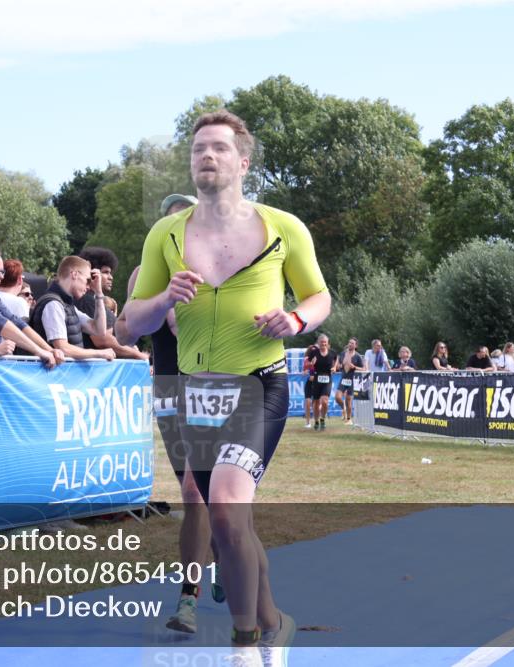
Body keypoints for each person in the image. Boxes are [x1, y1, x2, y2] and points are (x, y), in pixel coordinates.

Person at [117, 111, 330, 666]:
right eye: (197, 150)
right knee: (229, 519)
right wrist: (163, 300)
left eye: (217, 148)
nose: (206, 157)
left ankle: (245, 645)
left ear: (243, 161)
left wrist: (297, 321)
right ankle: (271, 620)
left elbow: (318, 297)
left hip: (260, 385)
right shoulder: (165, 234)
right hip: (195, 393)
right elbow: (128, 324)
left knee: (229, 508)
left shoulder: (284, 227)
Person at [126, 262, 222, 636]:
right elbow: (126, 331)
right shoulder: (144, 274)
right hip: (168, 389)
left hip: (212, 384)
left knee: (203, 490)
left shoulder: (216, 268)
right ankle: (217, 566)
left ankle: (189, 596)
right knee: (194, 492)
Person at [30, 256, 116, 361]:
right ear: (75, 274)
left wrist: (98, 293)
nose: (89, 286)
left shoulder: (66, 305)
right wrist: (99, 353)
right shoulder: (53, 304)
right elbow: (63, 349)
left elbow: (99, 331)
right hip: (53, 374)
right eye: (87, 280)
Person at [78, 246, 148, 360]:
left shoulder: (94, 299)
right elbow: (102, 340)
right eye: (106, 272)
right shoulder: (87, 300)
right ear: (92, 273)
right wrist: (137, 355)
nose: (111, 277)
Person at [307, 335, 338, 430]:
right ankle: (316, 420)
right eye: (322, 342)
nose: (323, 344)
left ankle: (322, 419)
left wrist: (335, 367)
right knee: (316, 402)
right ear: (318, 343)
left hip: (327, 379)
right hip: (317, 378)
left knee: (324, 401)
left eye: (325, 342)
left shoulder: (332, 353)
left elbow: (337, 360)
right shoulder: (314, 353)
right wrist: (311, 364)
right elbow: (307, 365)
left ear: (328, 343)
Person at [337, 338, 365, 424]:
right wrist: (338, 366)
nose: (350, 344)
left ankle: (349, 419)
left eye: (352, 343)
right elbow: (338, 365)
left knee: (348, 399)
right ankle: (344, 409)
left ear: (356, 346)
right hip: (343, 378)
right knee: (337, 397)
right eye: (349, 342)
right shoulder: (342, 354)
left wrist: (355, 367)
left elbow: (364, 369)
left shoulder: (358, 356)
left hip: (352, 380)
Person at [302, 342, 318, 428]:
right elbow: (304, 372)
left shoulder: (320, 359)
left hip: (317, 383)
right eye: (312, 351)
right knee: (308, 402)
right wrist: (311, 365)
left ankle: (317, 420)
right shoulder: (306, 360)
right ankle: (308, 422)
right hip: (309, 383)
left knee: (316, 403)